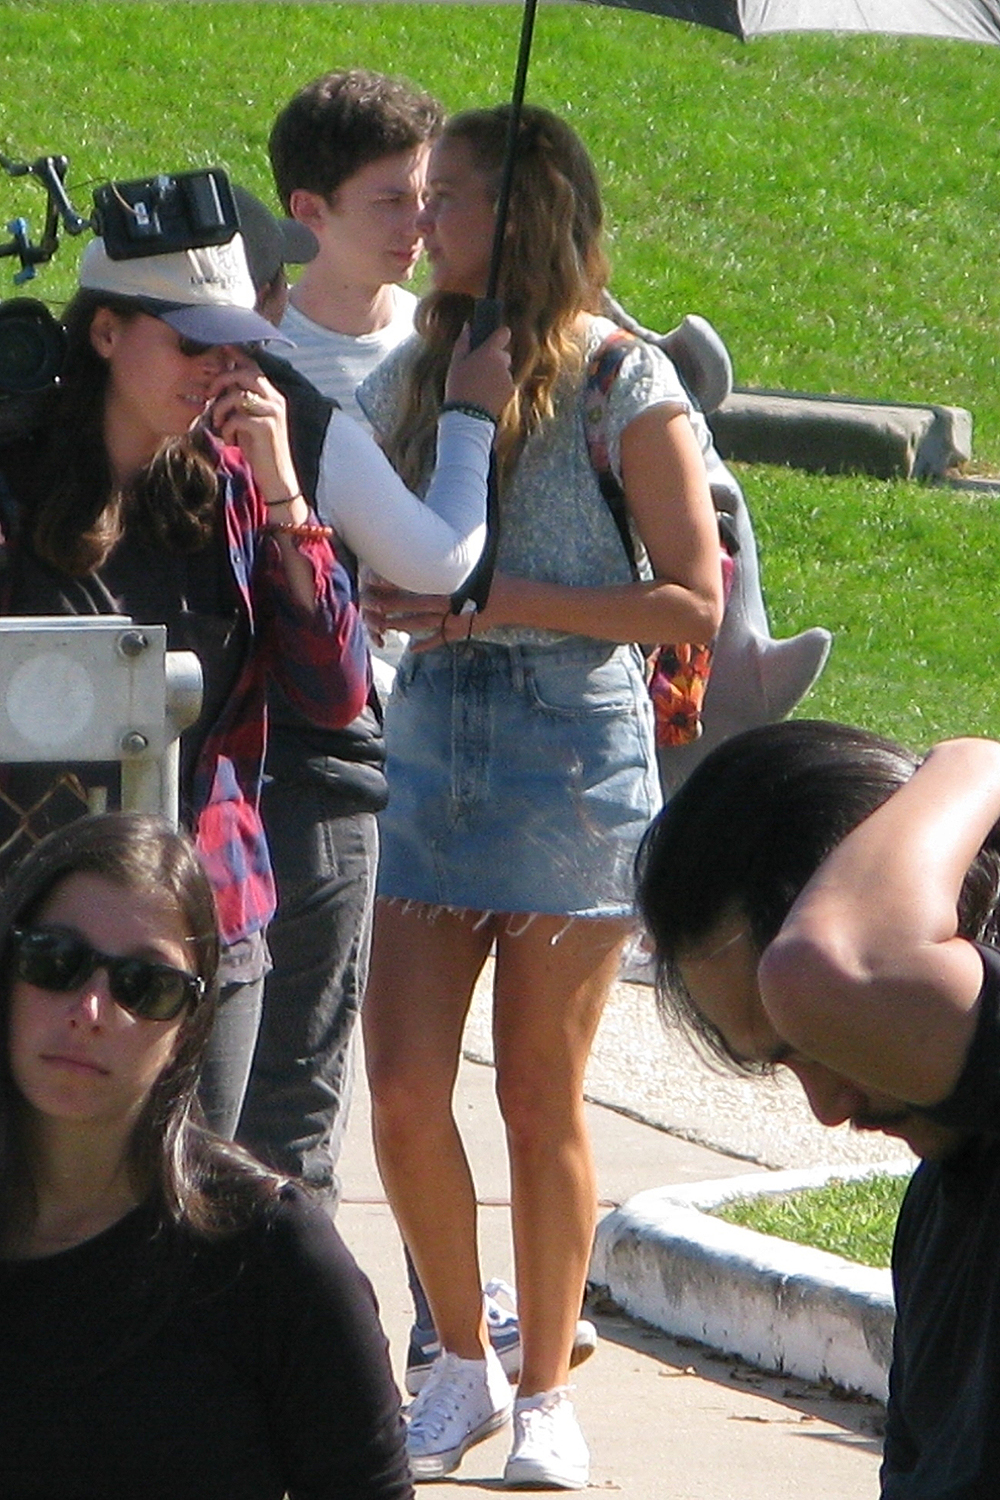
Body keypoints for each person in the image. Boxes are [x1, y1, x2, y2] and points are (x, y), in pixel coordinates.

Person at [358, 104, 724, 1488]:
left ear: (517, 216)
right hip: (434, 735)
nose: (423, 220)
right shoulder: (421, 364)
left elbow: (692, 595)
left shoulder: (625, 381)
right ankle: (461, 1357)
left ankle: (550, 1392)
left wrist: (493, 597)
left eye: (444, 198)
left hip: (571, 752)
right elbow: (391, 537)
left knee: (535, 1096)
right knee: (397, 1090)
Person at [0, 222, 370, 1142]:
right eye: (193, 341)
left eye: (237, 345)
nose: (220, 369)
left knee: (180, 1225)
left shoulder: (235, 485)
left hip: (202, 913)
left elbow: (333, 692)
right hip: (27, 917)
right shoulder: (14, 473)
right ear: (106, 333)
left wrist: (286, 491)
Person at [225, 185, 510, 1211]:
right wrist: (471, 416)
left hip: (200, 796)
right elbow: (437, 562)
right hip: (302, 798)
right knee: (282, 1125)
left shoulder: (85, 421)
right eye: (395, 195)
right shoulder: (290, 411)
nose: (420, 222)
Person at [635, 718, 1000, 1499]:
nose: (829, 1107)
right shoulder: (937, 1210)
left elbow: (835, 971)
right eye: (782, 1062)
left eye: (815, 1040)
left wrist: (976, 761)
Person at [0, 811, 412, 1499]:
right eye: (54, 961)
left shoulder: (276, 1258)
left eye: (145, 986)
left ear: (189, 1028)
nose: (92, 1009)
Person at [267, 67, 444, 428]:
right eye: (392, 202)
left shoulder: (437, 344)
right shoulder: (256, 357)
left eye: (427, 197)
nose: (422, 222)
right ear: (310, 210)